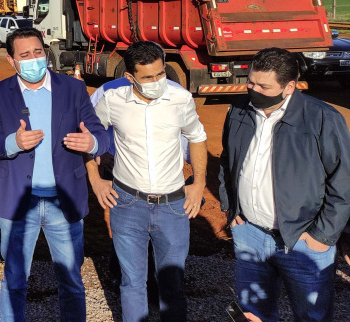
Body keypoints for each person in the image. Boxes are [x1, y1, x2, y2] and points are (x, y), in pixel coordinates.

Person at [0, 27, 111, 322]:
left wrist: (93, 143)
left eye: (38, 52)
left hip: (62, 202)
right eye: (24, 55)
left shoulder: (73, 89)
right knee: (14, 281)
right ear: (12, 61)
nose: (34, 59)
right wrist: (13, 142)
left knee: (72, 282)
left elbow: (101, 133)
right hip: (18, 204)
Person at [219, 47, 350, 322]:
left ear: (289, 86)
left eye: (264, 86)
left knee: (311, 316)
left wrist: (321, 236)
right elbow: (227, 162)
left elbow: (344, 182)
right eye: (251, 82)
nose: (253, 89)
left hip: (303, 241)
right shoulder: (238, 111)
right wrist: (232, 210)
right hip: (250, 235)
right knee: (253, 315)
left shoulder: (322, 118)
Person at [90, 41, 207, 322]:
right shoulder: (112, 100)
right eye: (147, 77)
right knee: (132, 284)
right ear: (130, 77)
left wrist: (199, 183)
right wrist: (95, 179)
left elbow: (197, 136)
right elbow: (88, 139)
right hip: (128, 204)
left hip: (173, 206)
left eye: (160, 74)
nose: (157, 82)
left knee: (173, 285)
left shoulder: (180, 98)